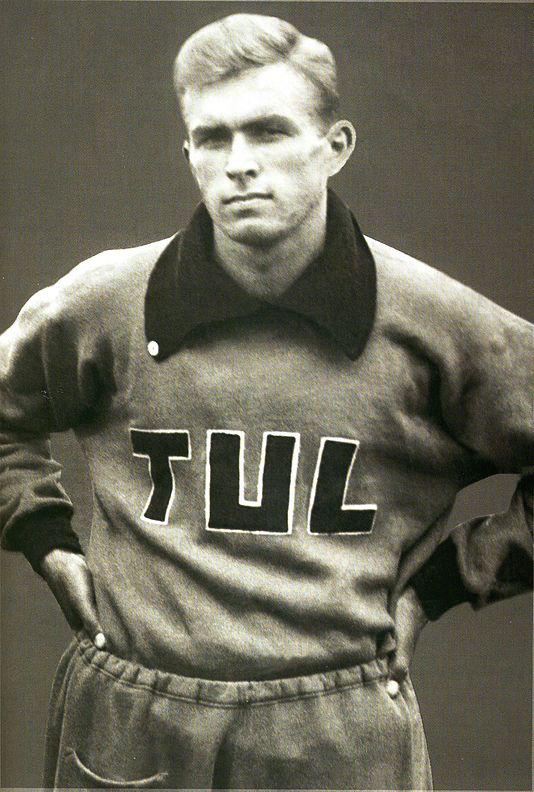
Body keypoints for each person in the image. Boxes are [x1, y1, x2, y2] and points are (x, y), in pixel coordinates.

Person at [0, 13, 532, 790]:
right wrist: (44, 536)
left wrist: (449, 581)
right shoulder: (105, 302)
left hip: (334, 728)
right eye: (213, 138)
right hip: (132, 716)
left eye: (270, 131)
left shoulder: (432, 322)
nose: (240, 164)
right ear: (189, 154)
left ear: (334, 146)